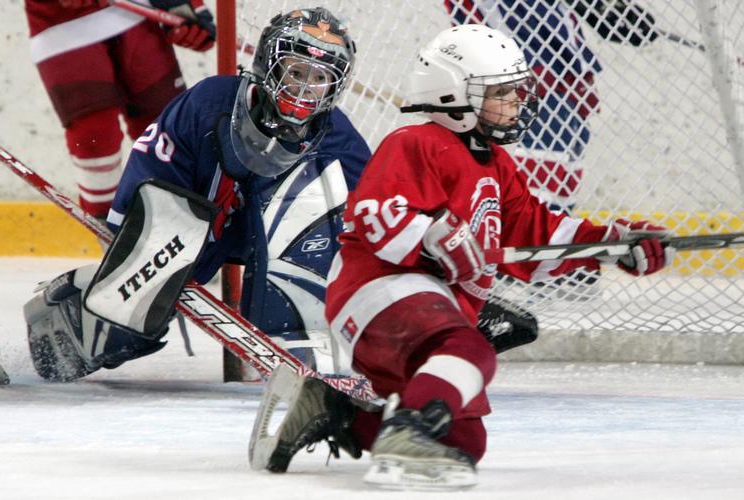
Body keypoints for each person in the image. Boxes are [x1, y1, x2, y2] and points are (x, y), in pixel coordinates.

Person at [248, 25, 674, 490]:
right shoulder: (416, 143)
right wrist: (433, 233)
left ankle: (335, 410)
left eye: (515, 91)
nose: (515, 101)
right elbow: (370, 215)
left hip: (427, 312)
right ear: (453, 94)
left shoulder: (497, 166)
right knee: (469, 351)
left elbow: (540, 236)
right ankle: (407, 433)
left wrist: (612, 244)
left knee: (465, 441)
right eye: (500, 92)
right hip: (379, 290)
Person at [22, 7, 371, 382]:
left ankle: (295, 327)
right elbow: (151, 166)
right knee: (121, 321)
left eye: (319, 77)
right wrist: (131, 251)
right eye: (295, 71)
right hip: (202, 231)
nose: (303, 88)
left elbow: (366, 220)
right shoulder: (209, 104)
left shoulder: (340, 141)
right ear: (269, 62)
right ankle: (84, 309)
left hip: (272, 244)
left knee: (317, 192)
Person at [444, 0, 659, 214]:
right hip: (523, 60)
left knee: (566, 163)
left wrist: (601, 8)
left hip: (562, 62)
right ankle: (530, 237)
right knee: (544, 160)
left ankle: (551, 233)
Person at [25, 0, 216, 220]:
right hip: (60, 25)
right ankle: (110, 231)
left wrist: (184, 4)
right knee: (95, 136)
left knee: (168, 130)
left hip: (137, 15)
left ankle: (186, 229)